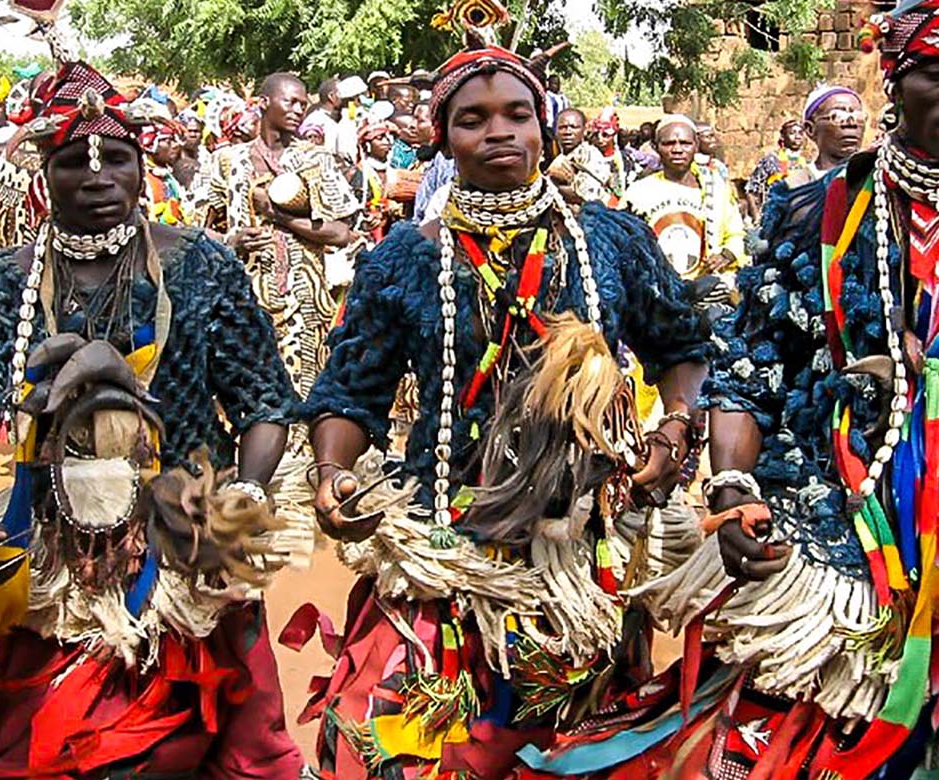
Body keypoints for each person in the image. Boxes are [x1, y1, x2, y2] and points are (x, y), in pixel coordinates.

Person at [517, 3, 939, 777]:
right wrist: (737, 489)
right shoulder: (814, 217)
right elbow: (748, 371)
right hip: (823, 533)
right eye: (937, 70)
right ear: (895, 81)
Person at [295, 42, 711, 780]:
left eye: (518, 115)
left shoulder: (608, 240)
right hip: (442, 541)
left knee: (569, 752)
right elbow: (349, 388)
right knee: (398, 747)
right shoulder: (405, 256)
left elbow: (681, 345)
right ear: (442, 137)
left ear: (545, 130)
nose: (498, 133)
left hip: (581, 549)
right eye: (472, 119)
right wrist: (332, 473)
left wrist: (674, 429)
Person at [0, 57, 306, 778]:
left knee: (204, 751)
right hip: (56, 566)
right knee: (64, 750)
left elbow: (263, 401)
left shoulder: (199, 264)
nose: (97, 178)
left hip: (190, 555)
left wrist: (241, 498)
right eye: (73, 163)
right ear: (43, 172)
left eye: (117, 159)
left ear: (141, 167)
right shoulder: (6, 282)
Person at [204, 72, 358, 398]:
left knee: (308, 388)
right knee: (250, 391)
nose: (298, 110)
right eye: (290, 101)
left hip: (306, 300)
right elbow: (193, 229)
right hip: (243, 294)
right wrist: (231, 241)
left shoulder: (314, 159)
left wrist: (280, 217)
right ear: (264, 103)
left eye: (303, 104)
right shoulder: (227, 161)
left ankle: (302, 446)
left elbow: (341, 232)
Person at [621, 114, 745, 280]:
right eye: (669, 143)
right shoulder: (638, 192)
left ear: (696, 146)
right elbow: (620, 241)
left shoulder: (715, 188)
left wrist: (726, 255)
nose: (677, 150)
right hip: (656, 293)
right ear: (656, 147)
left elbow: (736, 234)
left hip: (708, 288)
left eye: (685, 143)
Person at [787, 83, 868, 187]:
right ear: (810, 129)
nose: (851, 124)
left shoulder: (876, 178)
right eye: (838, 116)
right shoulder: (794, 187)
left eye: (858, 117)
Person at [744, 118, 808, 223]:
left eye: (800, 133)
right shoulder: (772, 160)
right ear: (783, 137)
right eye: (792, 133)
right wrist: (757, 216)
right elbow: (751, 189)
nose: (797, 136)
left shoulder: (805, 163)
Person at [549, 107, 610, 204]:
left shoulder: (592, 156)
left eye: (574, 127)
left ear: (584, 130)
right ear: (555, 132)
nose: (568, 132)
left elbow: (586, 197)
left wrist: (550, 184)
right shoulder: (560, 157)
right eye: (562, 127)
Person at [140, 123, 191, 225]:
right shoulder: (142, 179)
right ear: (150, 146)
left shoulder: (169, 177)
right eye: (168, 141)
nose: (175, 145)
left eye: (174, 140)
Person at [590, 107, 635, 206]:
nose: (600, 139)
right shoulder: (587, 155)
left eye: (605, 135)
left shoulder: (622, 160)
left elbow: (619, 191)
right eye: (596, 135)